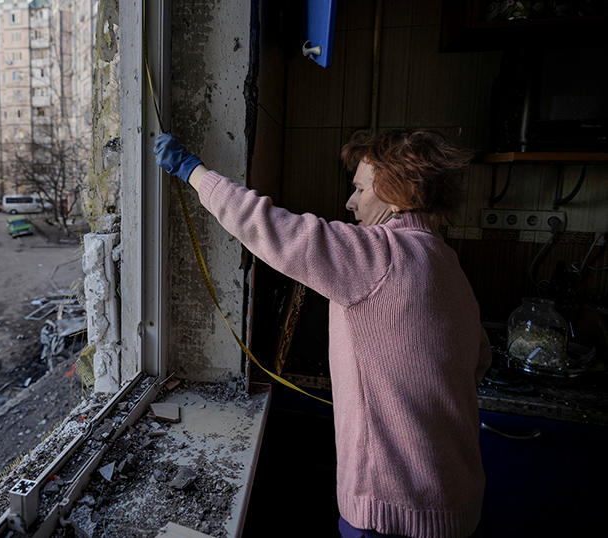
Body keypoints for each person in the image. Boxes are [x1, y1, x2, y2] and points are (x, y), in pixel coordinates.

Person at [155, 129, 491, 538]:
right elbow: (478, 362)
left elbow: (269, 226)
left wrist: (193, 172)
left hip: (391, 512)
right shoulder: (449, 266)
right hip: (458, 507)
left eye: (361, 189)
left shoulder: (380, 256)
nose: (351, 202)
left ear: (400, 192)